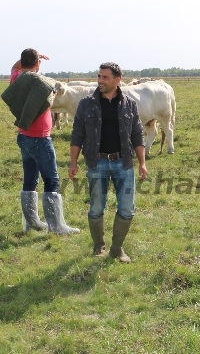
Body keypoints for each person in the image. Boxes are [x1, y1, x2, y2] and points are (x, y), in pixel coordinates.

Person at [68, 62, 148, 263]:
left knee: (127, 208)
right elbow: (78, 134)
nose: (100, 81)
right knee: (96, 207)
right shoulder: (86, 104)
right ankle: (98, 246)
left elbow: (137, 134)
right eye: (99, 77)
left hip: (124, 163)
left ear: (117, 80)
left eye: (105, 77)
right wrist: (73, 162)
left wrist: (143, 163)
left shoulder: (129, 104)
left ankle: (117, 248)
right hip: (97, 163)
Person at [1, 48, 79, 236]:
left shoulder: (17, 79)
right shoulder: (40, 84)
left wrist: (31, 60)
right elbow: (46, 101)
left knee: (30, 179)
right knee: (51, 180)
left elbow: (14, 66)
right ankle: (56, 226)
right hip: (40, 138)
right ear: (38, 64)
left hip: (24, 136)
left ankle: (31, 222)